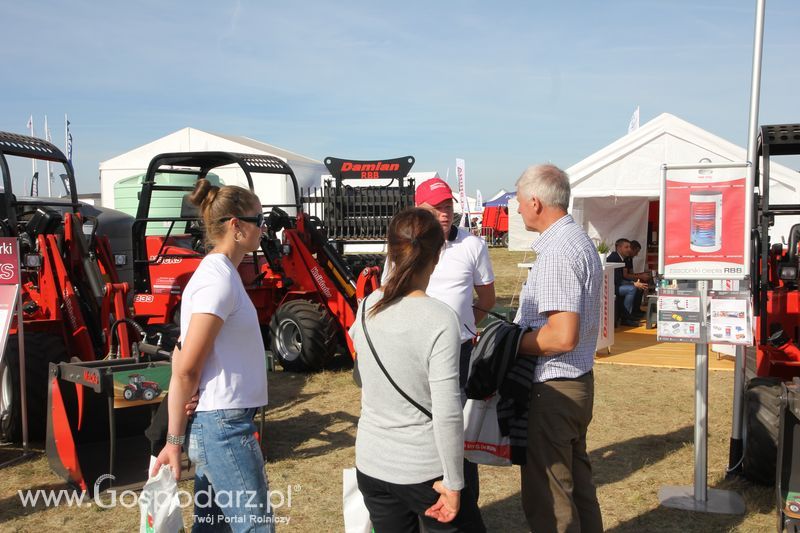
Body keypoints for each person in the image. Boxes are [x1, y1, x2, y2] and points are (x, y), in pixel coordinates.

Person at [352, 207, 486, 533]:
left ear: (391, 250)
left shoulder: (368, 305)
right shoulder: (439, 319)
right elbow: (447, 411)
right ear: (437, 254)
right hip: (424, 470)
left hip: (372, 464)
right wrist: (455, 484)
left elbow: (360, 377)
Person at [152, 179, 273, 532]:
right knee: (255, 527)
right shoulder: (216, 280)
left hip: (225, 421)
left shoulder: (223, 276)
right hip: (224, 426)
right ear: (236, 226)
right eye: (259, 219)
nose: (264, 228)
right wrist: (174, 442)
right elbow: (186, 367)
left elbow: (185, 359)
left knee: (214, 528)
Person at [513, 164, 604, 533]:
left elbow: (561, 336)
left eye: (518, 203)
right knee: (578, 486)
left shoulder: (557, 253)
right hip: (575, 381)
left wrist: (511, 342)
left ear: (535, 202)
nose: (517, 210)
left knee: (550, 496)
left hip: (553, 388)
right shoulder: (577, 241)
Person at [413, 177, 496, 501]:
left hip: (458, 353)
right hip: (415, 354)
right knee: (420, 428)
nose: (445, 214)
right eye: (437, 208)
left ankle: (464, 503)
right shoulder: (404, 245)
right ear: (419, 209)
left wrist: (459, 330)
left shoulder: (472, 245)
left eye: (448, 206)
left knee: (455, 431)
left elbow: (486, 300)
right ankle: (425, 498)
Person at [607, 238, 646, 326]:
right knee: (631, 289)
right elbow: (617, 279)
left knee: (635, 287)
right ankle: (626, 318)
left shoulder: (621, 258)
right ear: (619, 248)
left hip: (616, 285)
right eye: (626, 247)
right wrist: (633, 283)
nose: (629, 249)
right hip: (611, 287)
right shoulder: (614, 258)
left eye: (629, 247)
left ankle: (632, 313)